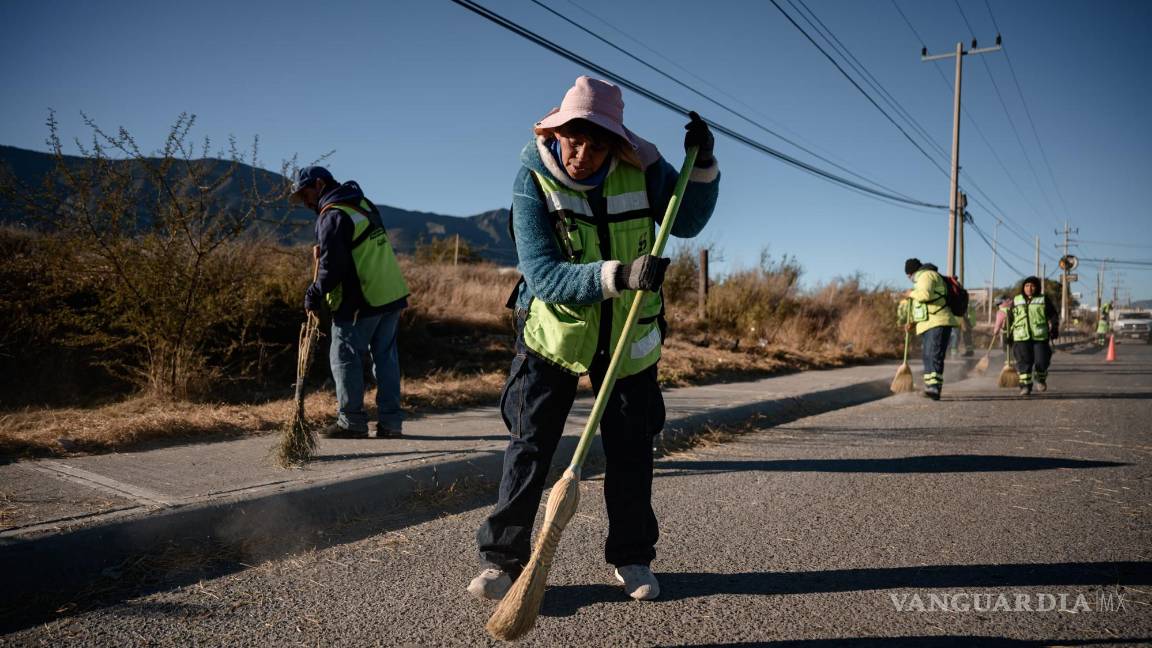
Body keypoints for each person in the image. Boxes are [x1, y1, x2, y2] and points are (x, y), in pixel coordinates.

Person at [468, 76, 719, 603]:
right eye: (573, 139)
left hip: (630, 339)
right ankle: (504, 560)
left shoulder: (642, 169)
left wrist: (702, 166)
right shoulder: (531, 180)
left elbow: (690, 220)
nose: (582, 153)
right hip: (552, 336)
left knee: (631, 452)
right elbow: (541, 274)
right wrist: (620, 275)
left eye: (597, 141)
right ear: (555, 131)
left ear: (615, 142)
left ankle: (632, 557)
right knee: (530, 447)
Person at [291, 166, 409, 438]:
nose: (306, 202)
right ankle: (391, 424)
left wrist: (314, 293)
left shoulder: (332, 214)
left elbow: (332, 267)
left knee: (344, 358)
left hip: (360, 299)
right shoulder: (361, 204)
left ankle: (351, 421)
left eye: (306, 194)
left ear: (319, 184)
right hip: (390, 294)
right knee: (386, 360)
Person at [903, 258, 959, 400]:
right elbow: (925, 305)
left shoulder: (926, 275)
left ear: (911, 272)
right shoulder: (922, 278)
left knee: (934, 354)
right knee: (928, 355)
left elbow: (925, 295)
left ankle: (934, 387)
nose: (909, 279)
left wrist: (910, 293)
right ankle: (930, 386)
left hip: (937, 322)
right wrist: (913, 322)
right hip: (929, 323)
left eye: (908, 275)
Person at [1006, 276, 1058, 396]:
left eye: (1032, 286)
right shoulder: (1016, 300)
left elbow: (1053, 315)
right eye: (1027, 285)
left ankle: (1040, 379)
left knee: (1042, 361)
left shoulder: (1043, 299)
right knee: (1024, 362)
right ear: (1023, 287)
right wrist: (1007, 335)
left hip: (1039, 336)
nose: (1029, 288)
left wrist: (1054, 328)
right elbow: (1010, 319)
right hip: (1021, 336)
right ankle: (1025, 386)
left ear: (1037, 287)